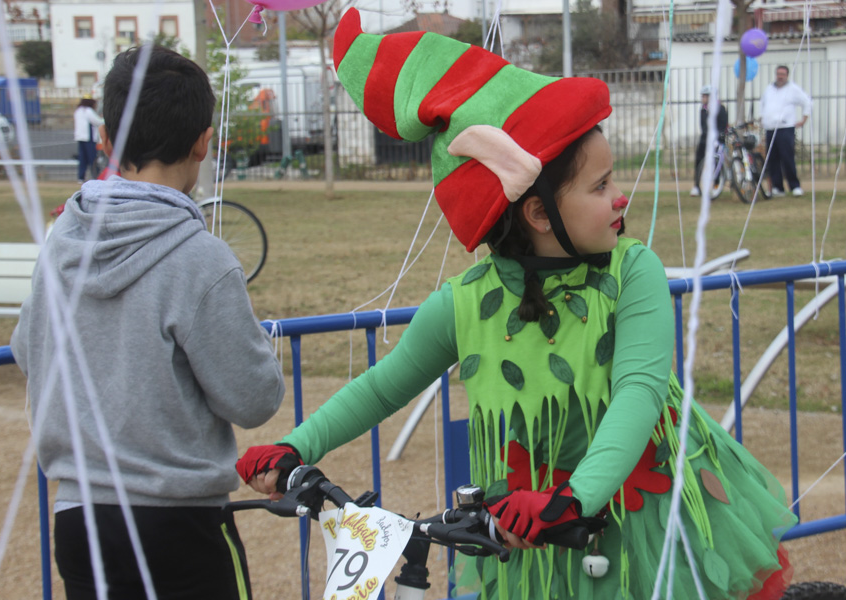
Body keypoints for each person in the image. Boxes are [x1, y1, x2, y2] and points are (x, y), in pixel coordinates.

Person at [236, 9, 795, 600]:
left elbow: (639, 391)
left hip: (636, 523)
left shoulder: (633, 271)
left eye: (613, 180)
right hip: (524, 536)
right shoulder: (466, 302)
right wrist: (298, 445)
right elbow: (382, 387)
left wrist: (573, 498)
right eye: (599, 186)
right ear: (537, 214)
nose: (619, 196)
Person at [11, 46, 285, 600]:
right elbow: (253, 398)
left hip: (81, 518)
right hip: (177, 522)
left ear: (107, 141)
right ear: (203, 142)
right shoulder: (199, 258)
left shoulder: (61, 242)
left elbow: (26, 346)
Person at [759, 65, 811, 197]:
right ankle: (778, 187)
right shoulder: (769, 89)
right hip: (770, 129)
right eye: (778, 74)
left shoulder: (793, 89)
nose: (780, 76)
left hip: (785, 128)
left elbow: (807, 102)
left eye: (782, 74)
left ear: (787, 75)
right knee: (773, 159)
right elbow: (763, 105)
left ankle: (795, 186)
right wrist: (763, 120)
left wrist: (803, 119)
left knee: (787, 158)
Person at [692, 85, 729, 197]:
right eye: (703, 96)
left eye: (705, 96)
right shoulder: (703, 109)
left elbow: (722, 125)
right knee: (699, 160)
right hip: (705, 139)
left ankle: (716, 185)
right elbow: (703, 125)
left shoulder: (720, 108)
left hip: (716, 140)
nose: (703, 98)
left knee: (716, 162)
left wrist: (719, 136)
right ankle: (697, 186)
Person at [73, 96, 104, 181]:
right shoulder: (88, 111)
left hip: (80, 137)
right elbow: (98, 121)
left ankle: (81, 177)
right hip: (89, 138)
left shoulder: (78, 111)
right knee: (92, 158)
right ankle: (96, 176)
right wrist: (103, 118)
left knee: (82, 158)